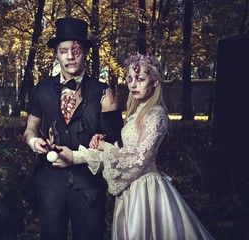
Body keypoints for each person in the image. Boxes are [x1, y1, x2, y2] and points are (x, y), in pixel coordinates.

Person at [54, 54, 215, 240]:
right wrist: (79, 154)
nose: (133, 84)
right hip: (129, 191)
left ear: (154, 82)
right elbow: (122, 151)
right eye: (130, 79)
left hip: (145, 191)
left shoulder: (156, 114)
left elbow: (137, 160)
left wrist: (105, 147)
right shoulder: (136, 112)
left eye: (140, 79)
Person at [23, 17, 123, 240]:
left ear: (85, 52)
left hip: (88, 187)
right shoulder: (41, 90)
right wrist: (33, 142)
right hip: (48, 185)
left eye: (75, 50)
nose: (69, 56)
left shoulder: (105, 93)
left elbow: (117, 145)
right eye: (63, 50)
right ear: (56, 54)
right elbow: (30, 129)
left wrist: (102, 137)